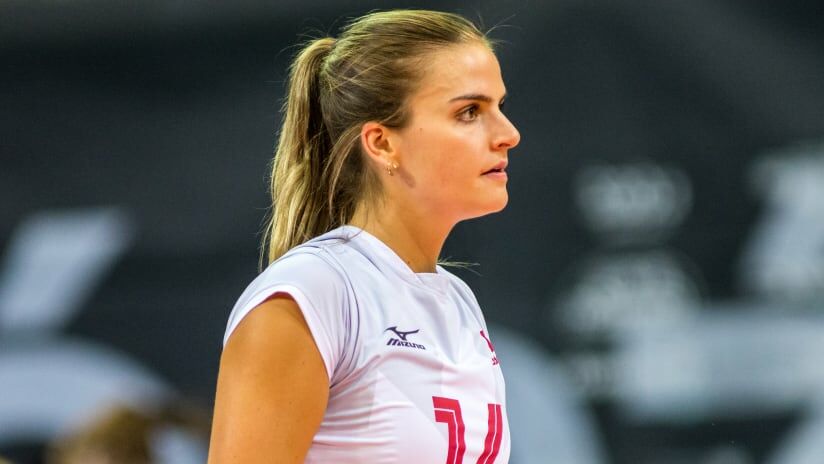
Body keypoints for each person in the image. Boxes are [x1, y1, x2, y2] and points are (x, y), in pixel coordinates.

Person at [208, 9, 520, 464]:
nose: (509, 134)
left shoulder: (458, 300)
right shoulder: (312, 291)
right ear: (381, 143)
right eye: (469, 112)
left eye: (500, 107)